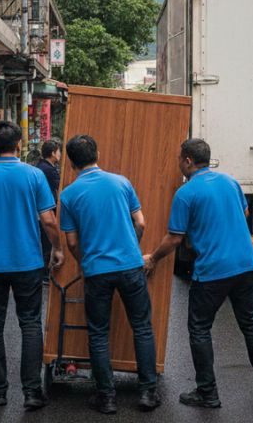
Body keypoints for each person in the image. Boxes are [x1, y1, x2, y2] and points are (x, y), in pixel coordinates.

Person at [144, 138, 253, 408]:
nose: (179, 163)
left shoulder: (186, 193)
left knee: (200, 328)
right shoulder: (230, 181)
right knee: (250, 323)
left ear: (188, 161)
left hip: (213, 270)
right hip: (246, 264)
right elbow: (245, 211)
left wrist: (153, 258)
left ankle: (207, 392)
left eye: (180, 159)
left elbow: (174, 238)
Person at [0, 121, 64, 411]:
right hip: (28, 262)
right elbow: (49, 220)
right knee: (30, 323)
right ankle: (32, 392)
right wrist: (57, 248)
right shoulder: (33, 175)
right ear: (19, 144)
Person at [59, 134, 160, 415]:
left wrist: (86, 262)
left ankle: (107, 397)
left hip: (96, 271)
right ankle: (148, 393)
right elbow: (141, 222)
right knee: (141, 327)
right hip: (130, 266)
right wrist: (130, 248)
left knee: (99, 333)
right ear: (98, 154)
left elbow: (72, 243)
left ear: (70, 162)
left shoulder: (68, 195)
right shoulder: (121, 182)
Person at [36, 139, 62, 277]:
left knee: (43, 241)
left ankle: (44, 271)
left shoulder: (40, 166)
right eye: (59, 151)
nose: (60, 154)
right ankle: (45, 273)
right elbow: (59, 189)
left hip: (39, 210)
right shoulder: (49, 170)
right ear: (53, 153)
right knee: (47, 242)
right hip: (46, 210)